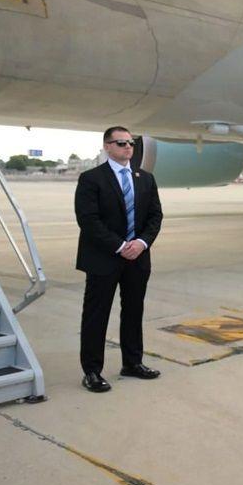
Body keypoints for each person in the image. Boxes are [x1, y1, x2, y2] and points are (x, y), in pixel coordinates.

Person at [75, 127, 162, 393]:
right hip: (104, 258)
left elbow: (155, 217)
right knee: (96, 316)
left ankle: (132, 363)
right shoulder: (91, 178)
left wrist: (141, 243)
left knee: (134, 312)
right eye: (121, 143)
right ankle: (92, 371)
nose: (128, 147)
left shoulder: (145, 178)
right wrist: (121, 245)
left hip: (138, 258)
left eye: (131, 143)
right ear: (107, 146)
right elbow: (88, 220)